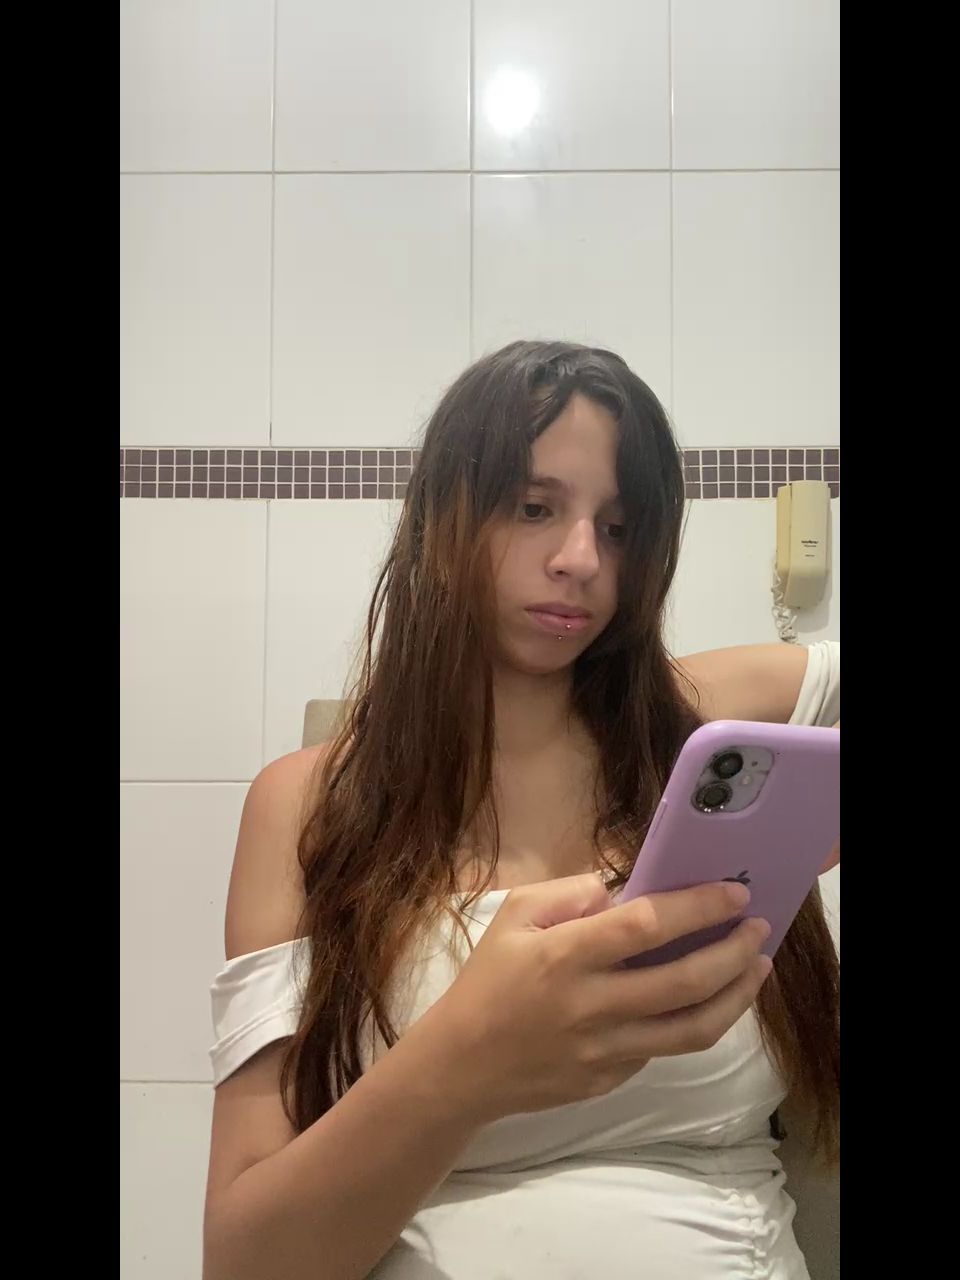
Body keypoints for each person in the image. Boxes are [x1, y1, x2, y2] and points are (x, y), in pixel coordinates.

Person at [202, 341, 839, 1280]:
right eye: (534, 508)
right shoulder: (306, 804)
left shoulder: (697, 731)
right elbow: (246, 1261)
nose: (581, 560)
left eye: (617, 528)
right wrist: (466, 1063)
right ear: (442, 519)